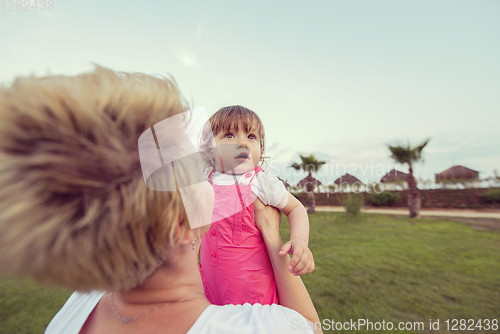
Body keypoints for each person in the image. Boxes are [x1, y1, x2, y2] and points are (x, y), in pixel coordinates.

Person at [0, 67, 322, 334]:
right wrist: (271, 234)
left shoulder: (81, 305)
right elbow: (310, 327)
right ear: (179, 225)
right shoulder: (255, 327)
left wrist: (297, 241)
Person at [198, 106, 315, 306]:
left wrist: (299, 240)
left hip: (253, 298)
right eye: (229, 135)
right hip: (210, 291)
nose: (242, 142)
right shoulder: (205, 180)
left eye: (251, 136)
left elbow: (296, 208)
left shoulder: (259, 182)